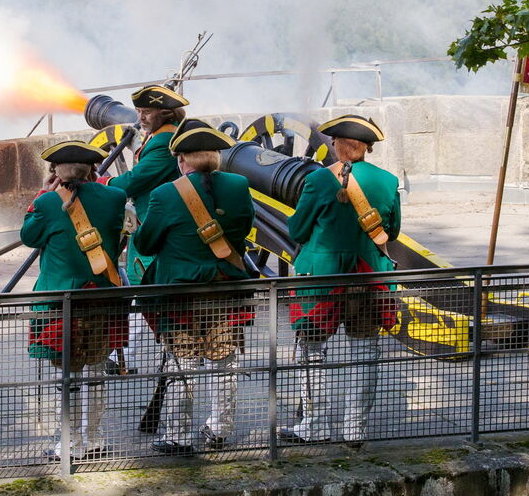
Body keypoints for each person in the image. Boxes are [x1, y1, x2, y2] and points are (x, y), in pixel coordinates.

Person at [133, 119, 256, 455]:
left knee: (182, 362)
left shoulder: (164, 194)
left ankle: (178, 435)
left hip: (180, 294)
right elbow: (245, 227)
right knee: (225, 362)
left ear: (181, 159)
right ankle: (220, 429)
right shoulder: (239, 185)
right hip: (225, 287)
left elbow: (145, 244)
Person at [279, 115, 399, 448]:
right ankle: (354, 429)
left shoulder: (318, 179)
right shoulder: (388, 181)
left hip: (322, 278)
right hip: (368, 275)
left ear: (336, 146)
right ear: (366, 148)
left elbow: (298, 230)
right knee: (364, 351)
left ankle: (314, 425)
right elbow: (392, 231)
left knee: (312, 351)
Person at [21, 141, 128, 461]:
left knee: (65, 376)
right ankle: (93, 438)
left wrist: (43, 192)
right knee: (96, 371)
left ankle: (68, 443)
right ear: (92, 168)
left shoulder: (47, 202)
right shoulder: (115, 197)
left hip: (59, 300)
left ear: (56, 171)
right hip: (101, 296)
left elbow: (29, 236)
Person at [104, 84, 188, 372]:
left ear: (165, 113)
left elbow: (133, 181)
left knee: (147, 290)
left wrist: (101, 184)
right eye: (138, 111)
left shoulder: (164, 143)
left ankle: (174, 354)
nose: (140, 117)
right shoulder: (160, 136)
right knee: (144, 293)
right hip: (150, 220)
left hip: (155, 226)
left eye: (146, 112)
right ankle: (134, 355)